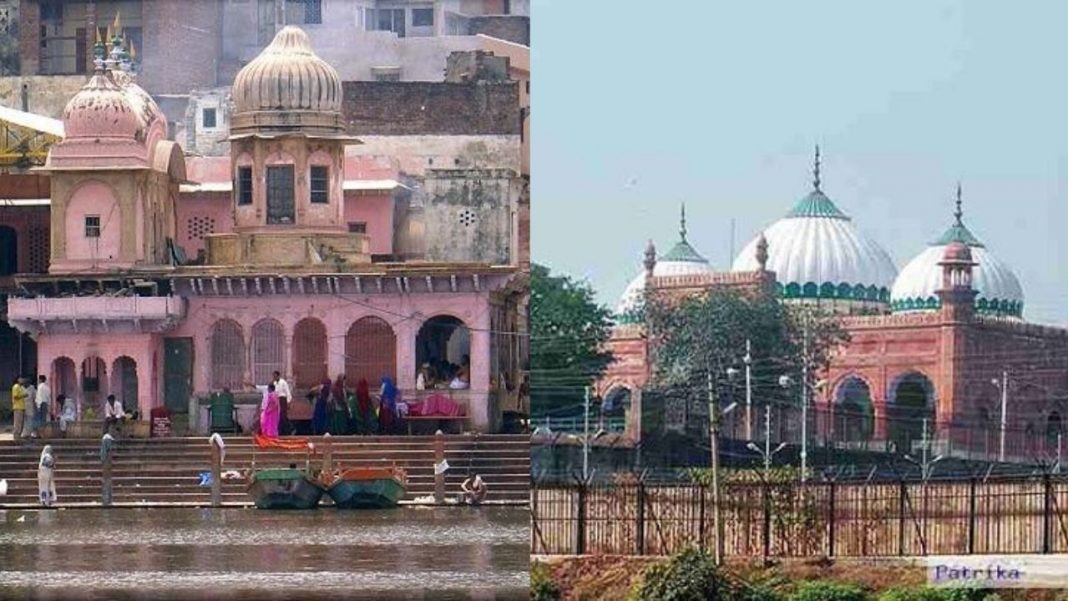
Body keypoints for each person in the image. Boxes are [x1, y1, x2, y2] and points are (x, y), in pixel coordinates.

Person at [272, 371, 292, 436]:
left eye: (275, 376)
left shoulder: (283, 382)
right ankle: (279, 431)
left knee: (283, 416)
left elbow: (288, 392)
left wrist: (288, 402)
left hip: (283, 400)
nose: (274, 377)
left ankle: (289, 430)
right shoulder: (274, 383)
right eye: (273, 376)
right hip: (277, 400)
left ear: (278, 376)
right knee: (278, 416)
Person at [10, 377, 27, 442]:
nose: (23, 380)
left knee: (20, 423)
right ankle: (16, 436)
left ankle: (18, 436)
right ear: (18, 380)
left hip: (22, 407)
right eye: (21, 379)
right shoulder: (16, 387)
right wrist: (24, 395)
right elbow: (15, 396)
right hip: (17, 407)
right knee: (17, 423)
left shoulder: (21, 387)